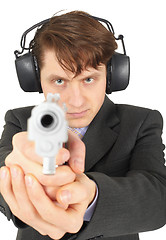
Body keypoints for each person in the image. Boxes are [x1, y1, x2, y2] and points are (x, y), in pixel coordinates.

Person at [0, 10, 166, 240]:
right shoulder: (20, 121)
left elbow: (158, 199)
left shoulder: (141, 122)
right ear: (36, 80)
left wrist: (91, 197)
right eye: (59, 81)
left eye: (88, 79)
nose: (75, 101)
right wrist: (14, 175)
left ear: (111, 75)